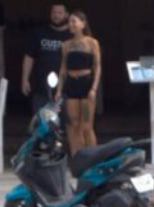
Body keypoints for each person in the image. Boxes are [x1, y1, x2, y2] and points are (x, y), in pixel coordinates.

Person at [55, 10, 100, 155]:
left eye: (74, 21)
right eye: (69, 22)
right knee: (74, 124)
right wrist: (59, 90)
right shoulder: (66, 45)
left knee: (87, 125)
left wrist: (94, 88)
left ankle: (93, 156)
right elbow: (63, 68)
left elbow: (97, 67)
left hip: (86, 84)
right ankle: (79, 155)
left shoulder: (92, 43)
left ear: (83, 24)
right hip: (71, 84)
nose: (71, 24)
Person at [21, 3, 71, 116]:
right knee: (41, 122)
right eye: (54, 12)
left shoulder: (71, 35)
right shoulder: (39, 33)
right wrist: (25, 79)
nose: (56, 16)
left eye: (60, 13)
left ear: (66, 15)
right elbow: (29, 57)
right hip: (41, 88)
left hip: (66, 89)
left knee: (66, 122)